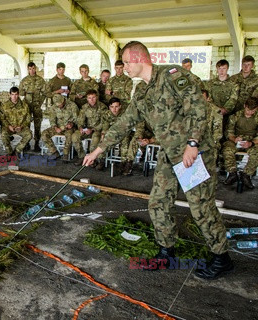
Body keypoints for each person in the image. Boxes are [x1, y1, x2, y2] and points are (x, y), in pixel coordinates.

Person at [83, 41, 233, 280]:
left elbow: (197, 108)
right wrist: (97, 151)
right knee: (158, 202)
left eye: (126, 62)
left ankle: (221, 257)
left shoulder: (173, 76)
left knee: (200, 207)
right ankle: (166, 253)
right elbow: (124, 122)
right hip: (168, 154)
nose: (124, 67)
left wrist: (192, 143)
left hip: (191, 153)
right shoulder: (140, 91)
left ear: (139, 59)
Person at [222, 97, 258, 189]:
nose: (250, 112)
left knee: (256, 152)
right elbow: (229, 132)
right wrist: (234, 139)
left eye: (253, 110)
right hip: (237, 139)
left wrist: (251, 143)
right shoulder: (235, 116)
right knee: (227, 149)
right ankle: (232, 173)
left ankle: (246, 175)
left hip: (252, 141)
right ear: (244, 106)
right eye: (248, 110)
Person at [95, 97, 137, 175]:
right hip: (112, 134)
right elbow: (105, 126)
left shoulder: (125, 114)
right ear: (109, 107)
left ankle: (123, 162)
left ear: (120, 106)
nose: (114, 109)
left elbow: (127, 127)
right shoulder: (106, 114)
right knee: (104, 139)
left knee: (125, 140)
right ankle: (101, 159)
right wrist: (104, 134)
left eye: (116, 106)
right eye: (112, 107)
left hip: (124, 133)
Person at [71, 89, 105, 165]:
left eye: (93, 97)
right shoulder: (84, 107)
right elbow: (80, 120)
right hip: (86, 129)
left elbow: (104, 122)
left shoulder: (102, 107)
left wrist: (92, 129)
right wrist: (80, 128)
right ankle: (81, 156)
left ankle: (93, 159)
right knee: (75, 136)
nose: (92, 100)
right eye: (89, 98)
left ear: (97, 97)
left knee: (96, 138)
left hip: (97, 130)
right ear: (87, 99)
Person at [41, 94, 79, 162]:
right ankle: (54, 152)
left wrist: (71, 124)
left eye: (60, 104)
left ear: (63, 100)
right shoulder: (53, 107)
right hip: (58, 127)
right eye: (57, 104)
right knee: (44, 134)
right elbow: (52, 119)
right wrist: (55, 127)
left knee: (70, 135)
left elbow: (76, 118)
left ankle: (65, 154)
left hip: (69, 127)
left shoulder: (72, 105)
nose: (59, 106)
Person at [19, 62, 46, 151]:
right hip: (27, 106)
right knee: (26, 124)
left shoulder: (40, 80)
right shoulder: (24, 80)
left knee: (37, 125)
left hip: (37, 105)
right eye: (30, 69)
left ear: (36, 69)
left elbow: (44, 93)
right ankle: (26, 143)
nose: (32, 70)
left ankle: (37, 143)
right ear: (28, 69)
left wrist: (40, 102)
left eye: (33, 68)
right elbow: (21, 93)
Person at [0, 86, 32, 158]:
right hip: (9, 127)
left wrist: (21, 126)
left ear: (18, 94)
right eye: (12, 94)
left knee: (29, 135)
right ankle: (9, 152)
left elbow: (28, 118)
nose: (14, 97)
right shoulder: (4, 105)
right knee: (3, 134)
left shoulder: (24, 105)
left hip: (20, 127)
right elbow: (2, 118)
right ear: (10, 95)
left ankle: (17, 150)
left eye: (16, 94)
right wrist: (8, 126)